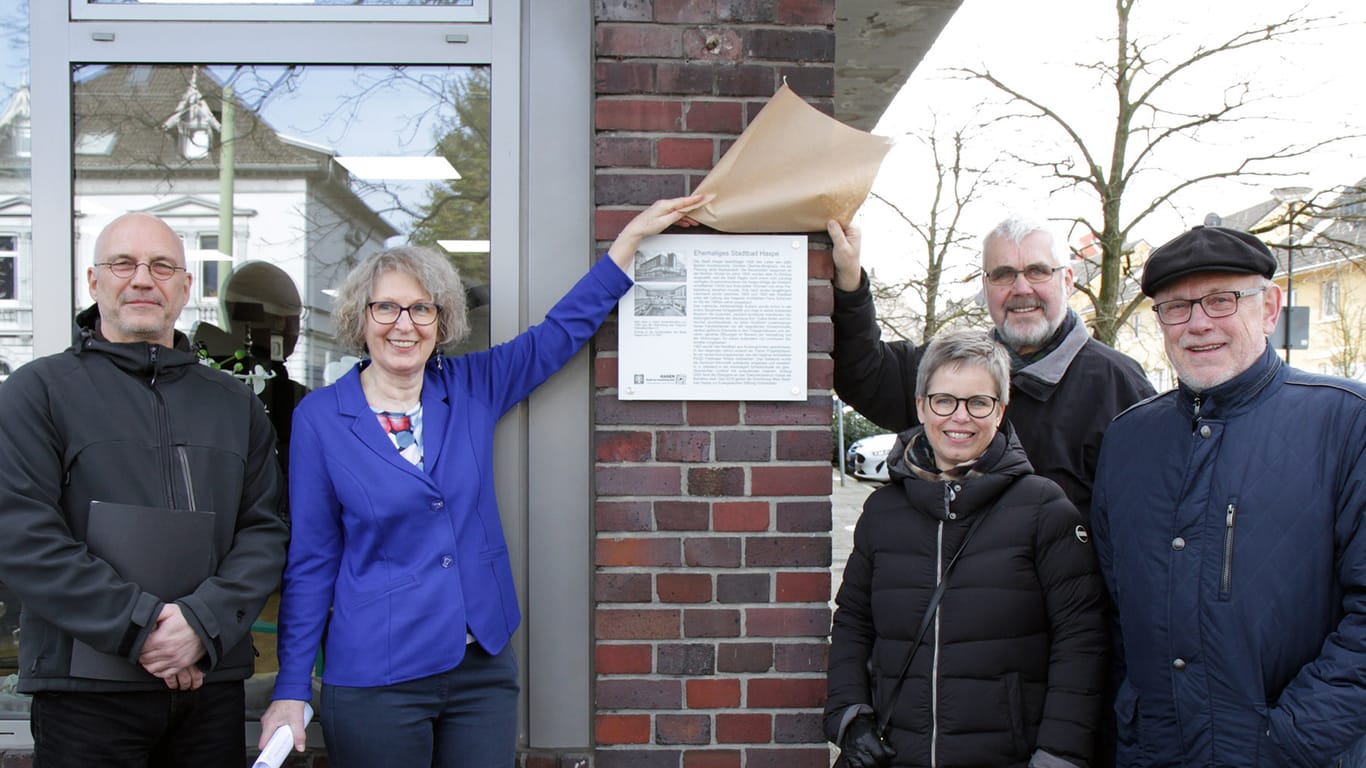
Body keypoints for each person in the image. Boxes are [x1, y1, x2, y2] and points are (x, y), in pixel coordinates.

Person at [259, 194, 706, 767]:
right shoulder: (320, 418)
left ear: (440, 322)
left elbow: (558, 334)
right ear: (359, 317)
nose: (404, 325)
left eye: (422, 310)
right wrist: (292, 687)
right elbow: (313, 559)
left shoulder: (469, 386)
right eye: (387, 309)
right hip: (377, 677)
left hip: (481, 671)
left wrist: (630, 241)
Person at [0, 212, 289, 766]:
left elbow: (264, 531)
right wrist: (143, 629)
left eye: (161, 266)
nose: (141, 279)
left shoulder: (235, 405)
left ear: (184, 289)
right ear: (93, 281)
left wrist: (201, 626)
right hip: (84, 695)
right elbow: (23, 536)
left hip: (209, 689)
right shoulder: (37, 393)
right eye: (123, 264)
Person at [1090, 225, 1366, 767]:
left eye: (1221, 300)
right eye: (1176, 307)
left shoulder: (1347, 422)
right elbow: (1120, 613)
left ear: (1269, 308)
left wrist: (1280, 742)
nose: (1198, 323)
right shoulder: (1127, 440)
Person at [826, 328, 1106, 768]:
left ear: (1001, 411)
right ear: (921, 406)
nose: (960, 417)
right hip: (898, 754)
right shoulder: (883, 512)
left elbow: (1082, 641)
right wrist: (849, 717)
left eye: (979, 402)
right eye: (944, 401)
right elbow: (853, 623)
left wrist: (1058, 755)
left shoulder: (1044, 508)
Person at [827, 217, 1154, 521]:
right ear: (986, 286)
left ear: (1067, 281)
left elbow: (1145, 520)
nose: (1021, 288)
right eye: (1003, 274)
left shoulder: (1118, 386)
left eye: (1038, 271)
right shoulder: (948, 369)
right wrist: (851, 280)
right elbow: (865, 374)